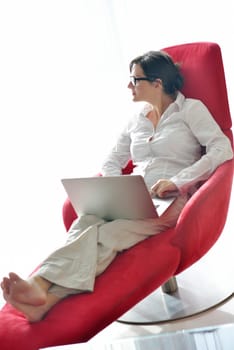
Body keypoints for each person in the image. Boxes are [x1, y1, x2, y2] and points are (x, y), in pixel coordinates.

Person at [1, 51, 233, 323]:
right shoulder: (137, 119)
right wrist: (116, 187)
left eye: (135, 80)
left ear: (157, 83)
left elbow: (223, 148)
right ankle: (43, 300)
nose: (129, 85)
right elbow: (113, 159)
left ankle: (40, 285)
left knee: (112, 233)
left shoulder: (191, 110)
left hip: (171, 201)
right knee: (84, 221)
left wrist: (178, 181)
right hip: (135, 196)